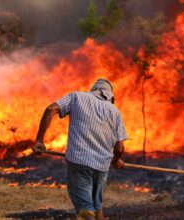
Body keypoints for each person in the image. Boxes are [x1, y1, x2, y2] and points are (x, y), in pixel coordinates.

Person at [32, 78, 128, 220]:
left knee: (86, 210)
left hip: (79, 163)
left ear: (94, 90)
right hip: (101, 167)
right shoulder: (115, 112)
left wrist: (39, 140)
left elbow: (51, 109)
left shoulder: (77, 97)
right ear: (110, 96)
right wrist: (116, 160)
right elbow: (119, 148)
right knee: (97, 208)